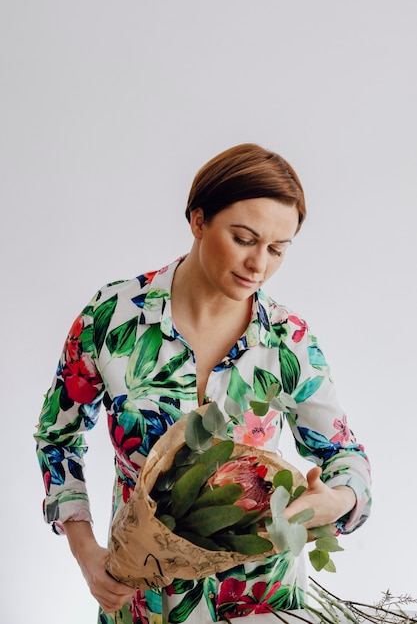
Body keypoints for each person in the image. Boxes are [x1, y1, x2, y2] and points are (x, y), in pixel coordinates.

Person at [34, 143, 372, 624]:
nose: (259, 264)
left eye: (278, 249)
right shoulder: (110, 317)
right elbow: (57, 436)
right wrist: (85, 551)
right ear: (198, 220)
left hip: (260, 600)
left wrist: (335, 500)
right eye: (243, 238)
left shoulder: (287, 340)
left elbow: (345, 457)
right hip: (142, 597)